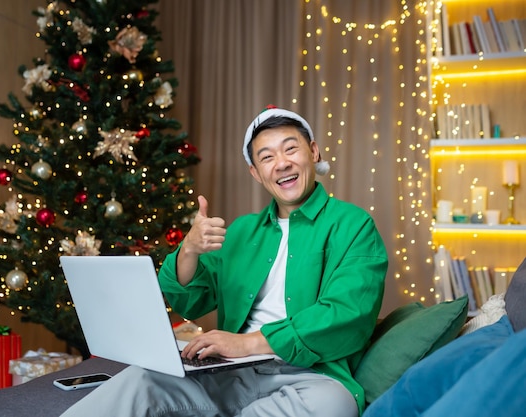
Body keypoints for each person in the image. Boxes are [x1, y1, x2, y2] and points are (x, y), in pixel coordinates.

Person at [60, 107, 388, 417]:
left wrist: (248, 343)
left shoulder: (353, 224)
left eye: (291, 149)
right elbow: (189, 298)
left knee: (333, 405)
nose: (282, 163)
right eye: (267, 157)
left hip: (310, 375)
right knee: (140, 380)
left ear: (313, 152)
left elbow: (347, 312)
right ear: (256, 173)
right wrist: (188, 248)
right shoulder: (242, 230)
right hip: (230, 371)